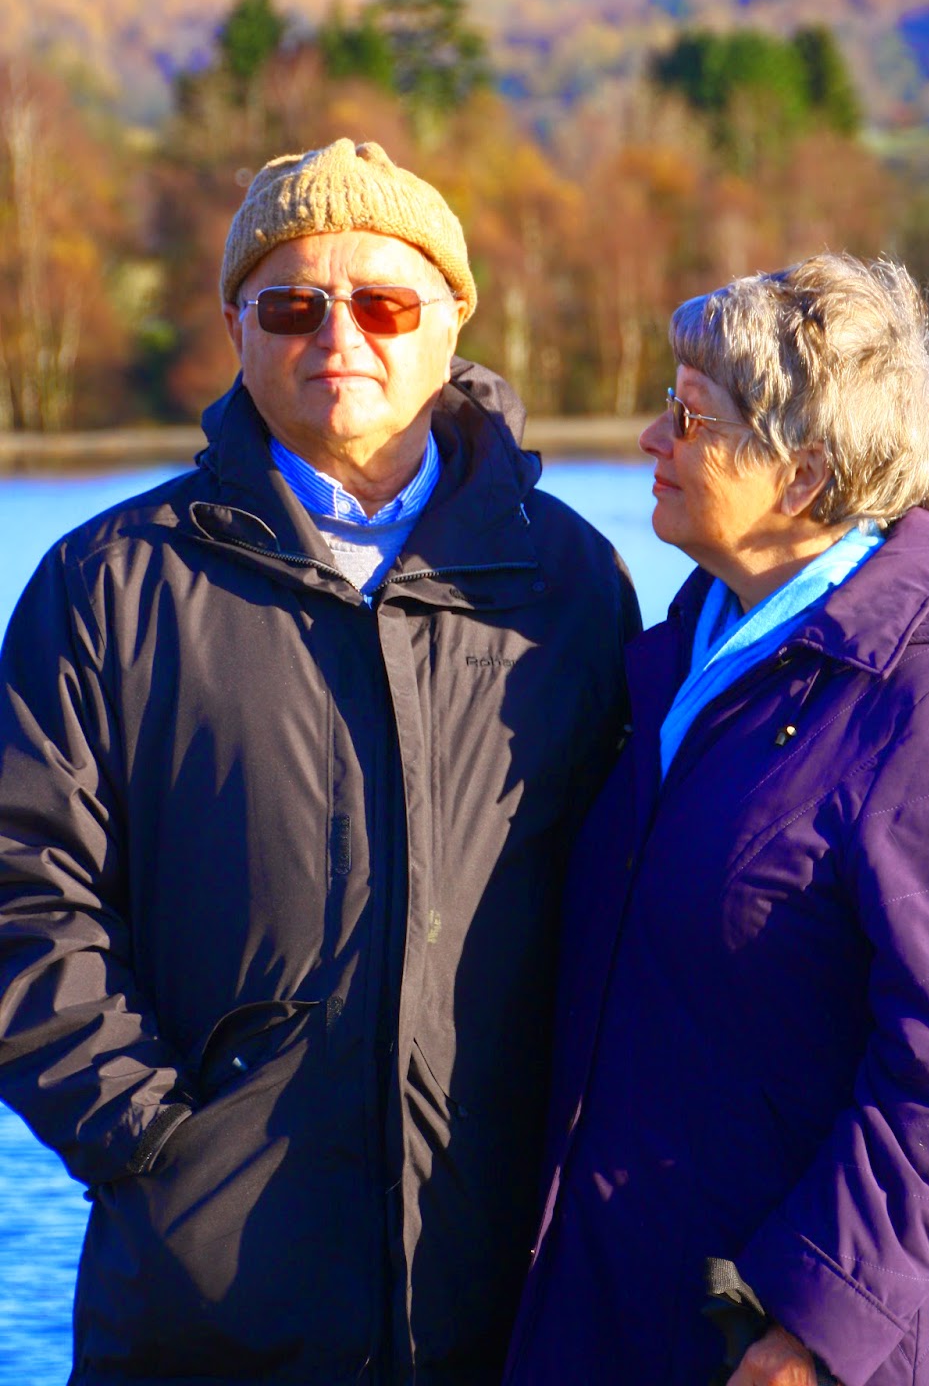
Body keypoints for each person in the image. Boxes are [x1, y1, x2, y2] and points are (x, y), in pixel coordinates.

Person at [0, 138, 640, 1385]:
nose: (338, 334)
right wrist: (153, 1142)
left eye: (385, 303)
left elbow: (633, 894)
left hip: (507, 1291)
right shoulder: (108, 582)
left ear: (451, 318)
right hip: (201, 1306)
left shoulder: (567, 581)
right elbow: (21, 892)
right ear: (236, 327)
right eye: (291, 305)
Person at [504, 254, 929, 1386]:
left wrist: (811, 1331)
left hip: (786, 1349)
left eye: (689, 417)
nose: (651, 440)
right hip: (625, 1308)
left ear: (803, 475)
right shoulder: (694, 653)